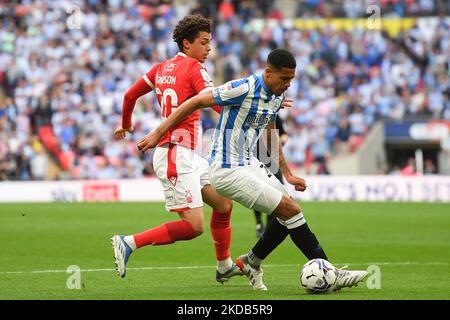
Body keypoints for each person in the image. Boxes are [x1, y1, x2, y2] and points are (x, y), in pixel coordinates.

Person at [138, 48, 368, 291]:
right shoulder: (243, 88)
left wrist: (287, 173)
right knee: (290, 210)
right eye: (284, 78)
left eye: (291, 79)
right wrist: (157, 133)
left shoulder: (276, 96)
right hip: (226, 171)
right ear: (268, 73)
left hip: (248, 163)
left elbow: (269, 130)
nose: (288, 84)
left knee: (287, 211)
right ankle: (331, 272)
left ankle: (251, 261)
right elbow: (195, 101)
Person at [111, 15, 242, 283]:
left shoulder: (160, 68)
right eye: (204, 43)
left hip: (189, 155)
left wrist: (126, 124)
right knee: (194, 227)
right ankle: (129, 242)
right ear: (186, 43)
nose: (209, 48)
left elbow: (129, 95)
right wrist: (245, 115)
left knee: (223, 204)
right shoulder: (195, 68)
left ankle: (224, 264)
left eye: (210, 43)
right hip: (175, 153)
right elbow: (215, 102)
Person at [252, 116, 287, 239]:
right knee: (256, 191)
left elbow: (283, 135)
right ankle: (259, 222)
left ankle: (267, 226)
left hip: (273, 161)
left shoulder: (275, 116)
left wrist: (278, 142)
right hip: (256, 160)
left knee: (276, 192)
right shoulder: (254, 114)